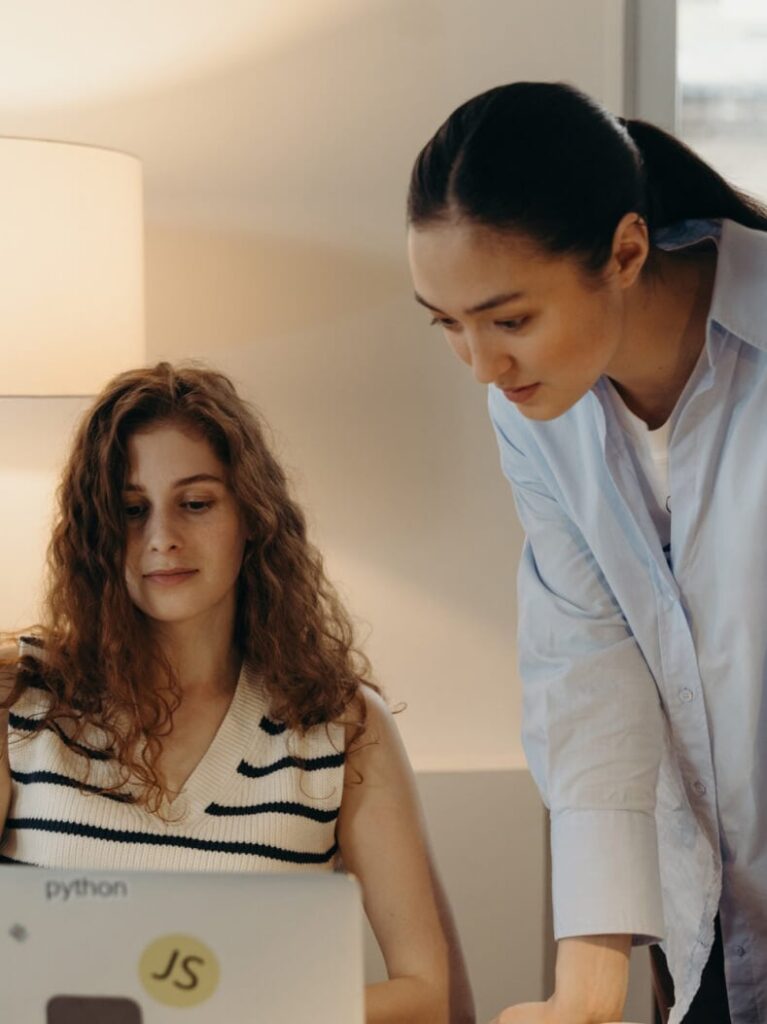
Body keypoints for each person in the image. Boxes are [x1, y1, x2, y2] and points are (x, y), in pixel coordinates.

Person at [407, 81, 767, 1024]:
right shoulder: (536, 417)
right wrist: (587, 989)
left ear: (625, 252)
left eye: (508, 320)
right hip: (713, 928)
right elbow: (590, 670)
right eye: (446, 323)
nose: (481, 366)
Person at [0, 362, 474, 1024]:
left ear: (251, 515)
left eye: (195, 504)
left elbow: (431, 996)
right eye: (131, 511)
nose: (162, 538)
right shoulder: (20, 700)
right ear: (96, 532)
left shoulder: (339, 725)